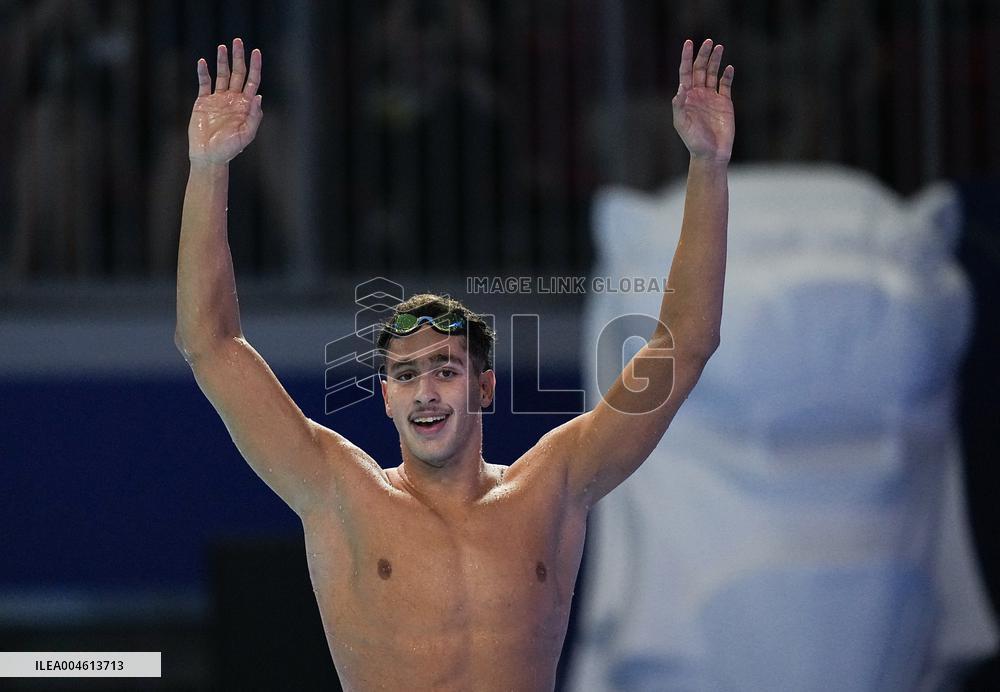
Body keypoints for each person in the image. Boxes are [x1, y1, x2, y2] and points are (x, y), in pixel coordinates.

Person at [175, 36, 734, 691]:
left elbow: (685, 344)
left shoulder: (553, 487)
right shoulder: (338, 493)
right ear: (385, 398)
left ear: (485, 387)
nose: (426, 392)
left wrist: (707, 165)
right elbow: (209, 342)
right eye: (406, 376)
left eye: (444, 369)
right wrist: (209, 168)